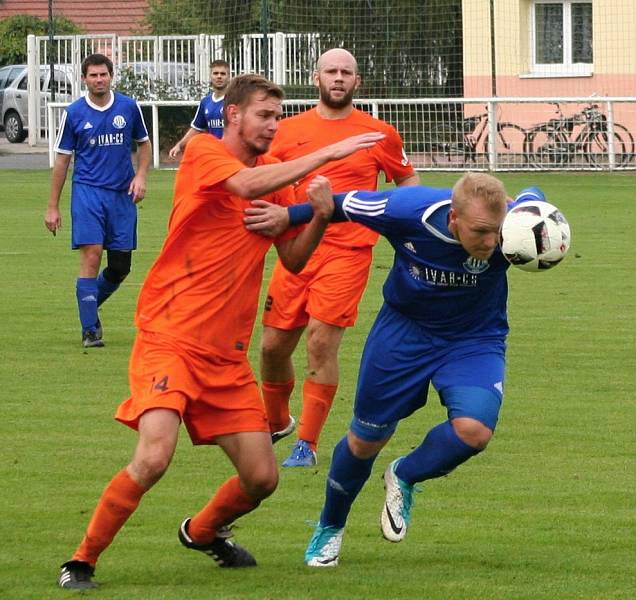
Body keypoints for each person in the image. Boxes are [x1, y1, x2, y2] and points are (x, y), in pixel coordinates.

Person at [56, 73, 384, 590]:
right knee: (154, 455)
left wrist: (319, 215)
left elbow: (295, 261)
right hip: (170, 337)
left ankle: (203, 531)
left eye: (278, 117)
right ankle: (81, 560)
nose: (274, 126)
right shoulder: (206, 153)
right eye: (264, 116)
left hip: (226, 358)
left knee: (263, 478)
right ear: (233, 114)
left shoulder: (278, 173)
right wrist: (328, 153)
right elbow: (245, 185)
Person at [244, 174, 543, 567]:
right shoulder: (407, 211)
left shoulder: (512, 225)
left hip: (474, 339)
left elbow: (535, 200)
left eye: (496, 231)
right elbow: (341, 204)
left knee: (475, 431)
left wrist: (530, 205)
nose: (491, 243)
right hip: (404, 335)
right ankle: (330, 527)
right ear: (453, 218)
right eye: (481, 232)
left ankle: (404, 475)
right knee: (365, 440)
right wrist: (288, 214)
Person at [260, 47, 419, 468]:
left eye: (346, 72)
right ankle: (278, 422)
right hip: (296, 250)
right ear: (316, 78)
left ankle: (306, 444)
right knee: (273, 347)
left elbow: (407, 181)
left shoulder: (378, 132)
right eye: (330, 71)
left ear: (357, 82)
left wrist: (407, 225)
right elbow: (265, 178)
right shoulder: (287, 130)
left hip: (348, 252)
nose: (338, 77)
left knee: (320, 341)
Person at [45, 53, 151, 348]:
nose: (99, 79)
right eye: (93, 75)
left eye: (103, 74)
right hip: (88, 193)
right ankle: (89, 330)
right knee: (91, 255)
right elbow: (62, 161)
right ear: (84, 78)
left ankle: (87, 305)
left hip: (121, 196)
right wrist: (53, 206)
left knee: (120, 267)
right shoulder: (75, 113)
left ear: (111, 75)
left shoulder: (128, 107)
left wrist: (141, 175)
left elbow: (144, 144)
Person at [169, 59, 230, 157]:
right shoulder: (206, 102)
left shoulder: (235, 100)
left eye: (223, 74)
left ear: (228, 77)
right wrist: (179, 145)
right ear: (211, 76)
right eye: (215, 73)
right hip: (214, 153)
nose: (219, 76)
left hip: (232, 153)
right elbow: (197, 128)